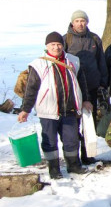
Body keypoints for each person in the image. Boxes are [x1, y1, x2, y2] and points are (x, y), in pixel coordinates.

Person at [18, 32, 92, 179]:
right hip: (48, 110)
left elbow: (82, 82)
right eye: (53, 45)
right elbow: (31, 88)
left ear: (63, 45)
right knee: (50, 141)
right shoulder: (38, 64)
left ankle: (74, 166)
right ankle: (54, 169)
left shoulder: (73, 61)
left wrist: (86, 99)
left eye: (58, 44)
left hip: (70, 110)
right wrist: (25, 109)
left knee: (72, 140)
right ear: (47, 46)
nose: (56, 47)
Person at [64, 9, 108, 164]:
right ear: (72, 23)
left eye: (83, 21)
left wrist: (103, 82)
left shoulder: (94, 39)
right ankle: (73, 155)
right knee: (73, 124)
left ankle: (87, 154)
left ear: (87, 22)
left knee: (89, 123)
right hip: (73, 89)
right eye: (77, 21)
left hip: (92, 86)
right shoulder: (66, 39)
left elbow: (101, 61)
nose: (80, 23)